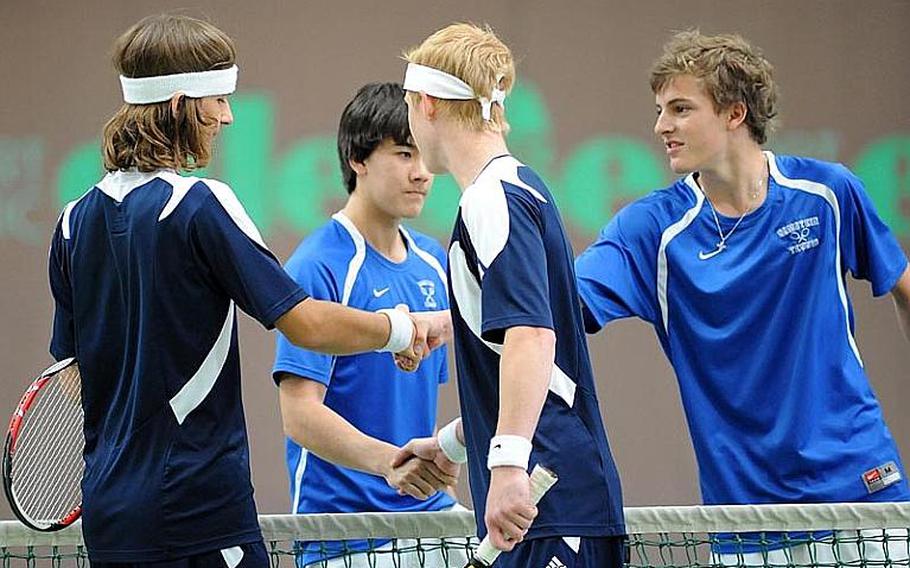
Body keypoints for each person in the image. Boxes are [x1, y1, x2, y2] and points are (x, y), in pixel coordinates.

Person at [47, 15, 446, 566]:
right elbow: (303, 323)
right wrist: (403, 328)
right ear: (182, 102)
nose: (228, 117)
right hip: (199, 512)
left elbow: (73, 380)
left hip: (111, 513)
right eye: (219, 100)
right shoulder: (197, 205)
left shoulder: (71, 221)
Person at [574, 30, 910, 564]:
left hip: (862, 492)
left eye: (680, 109)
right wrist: (431, 324)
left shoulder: (827, 193)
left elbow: (904, 287)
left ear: (735, 113)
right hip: (749, 521)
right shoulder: (651, 230)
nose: (662, 126)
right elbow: (550, 311)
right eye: (660, 110)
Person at [395, 22, 626, 568]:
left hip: (545, 504)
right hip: (551, 499)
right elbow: (530, 363)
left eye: (407, 106)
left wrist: (506, 466)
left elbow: (531, 337)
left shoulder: (491, 199)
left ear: (426, 103)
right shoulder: (519, 189)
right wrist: (459, 444)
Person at [272, 82, 468, 568]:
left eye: (424, 155)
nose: (422, 173)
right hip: (343, 534)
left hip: (432, 521)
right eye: (404, 154)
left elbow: (416, 406)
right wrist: (389, 464)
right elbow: (299, 416)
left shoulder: (434, 261)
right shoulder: (318, 265)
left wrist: (444, 455)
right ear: (358, 159)